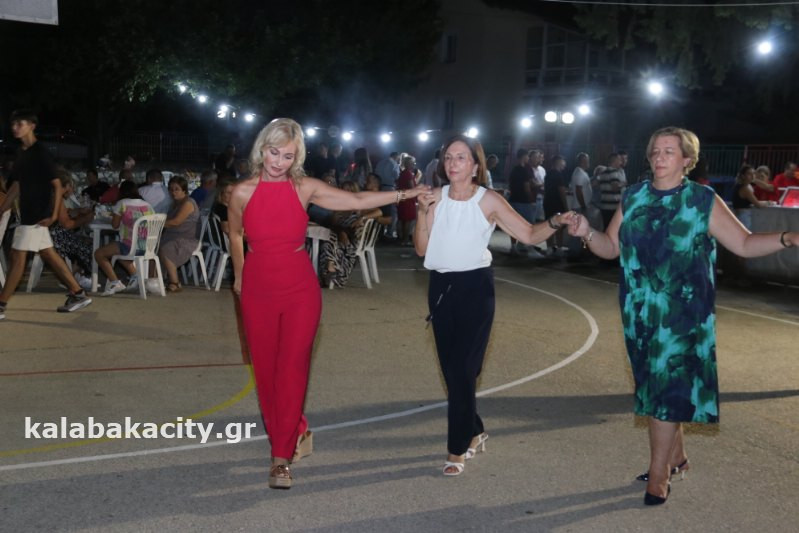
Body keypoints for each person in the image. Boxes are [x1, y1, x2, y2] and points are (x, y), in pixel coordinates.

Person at [567, 127, 798, 506]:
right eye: (655, 151)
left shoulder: (701, 200)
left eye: (669, 151)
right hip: (639, 311)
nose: (659, 157)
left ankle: (659, 475)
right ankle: (678, 458)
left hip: (682, 316)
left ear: (687, 160)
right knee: (656, 388)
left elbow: (743, 243)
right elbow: (610, 247)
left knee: (663, 391)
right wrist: (586, 232)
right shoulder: (633, 196)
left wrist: (788, 238)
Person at [227, 118, 427, 489]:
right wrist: (239, 276)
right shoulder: (241, 192)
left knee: (292, 369)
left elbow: (356, 201)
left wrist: (406, 194)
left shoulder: (304, 187)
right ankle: (297, 429)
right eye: (274, 152)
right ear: (261, 149)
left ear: (297, 157)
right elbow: (235, 234)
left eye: (288, 156)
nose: (279, 162)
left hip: (300, 290)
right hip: (257, 289)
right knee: (266, 373)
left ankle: (280, 457)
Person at [414, 134, 576, 477]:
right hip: (440, 288)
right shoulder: (434, 198)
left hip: (476, 289)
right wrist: (422, 212)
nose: (453, 163)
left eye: (461, 157)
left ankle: (457, 448)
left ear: (475, 165)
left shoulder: (488, 200)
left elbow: (528, 234)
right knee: (454, 372)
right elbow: (422, 249)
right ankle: (474, 430)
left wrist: (556, 222)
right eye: (448, 157)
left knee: (463, 370)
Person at [0, 109, 92, 320]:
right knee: (49, 254)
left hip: (38, 214)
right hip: (30, 213)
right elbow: (17, 185)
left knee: (17, 258)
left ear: (32, 126)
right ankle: (78, 293)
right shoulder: (22, 152)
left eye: (20, 123)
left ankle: (1, 304)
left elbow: (57, 185)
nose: (15, 128)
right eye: (13, 124)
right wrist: (3, 208)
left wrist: (53, 214)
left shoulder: (40, 153)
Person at [319, 180, 385, 288]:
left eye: (349, 190)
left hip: (351, 241)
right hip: (337, 238)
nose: (345, 193)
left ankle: (330, 271)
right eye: (343, 190)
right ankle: (330, 268)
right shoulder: (339, 208)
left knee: (329, 242)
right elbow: (333, 226)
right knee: (326, 240)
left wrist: (362, 218)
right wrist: (340, 230)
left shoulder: (359, 207)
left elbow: (379, 212)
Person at [94, 180, 155, 295]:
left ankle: (115, 282)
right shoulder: (147, 205)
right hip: (147, 246)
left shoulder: (122, 203)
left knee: (99, 253)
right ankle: (135, 276)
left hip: (130, 245)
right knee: (117, 251)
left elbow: (115, 225)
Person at [51, 168, 95, 290]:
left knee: (85, 241)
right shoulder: (57, 199)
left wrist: (78, 211)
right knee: (90, 246)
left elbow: (65, 213)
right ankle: (73, 277)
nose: (73, 189)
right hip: (57, 238)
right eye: (71, 185)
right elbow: (67, 224)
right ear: (65, 186)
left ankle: (75, 275)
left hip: (52, 235)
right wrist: (86, 218)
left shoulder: (52, 196)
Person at [159, 176, 200, 293]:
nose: (173, 192)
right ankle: (154, 279)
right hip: (173, 236)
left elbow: (176, 222)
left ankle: (175, 282)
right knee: (152, 246)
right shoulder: (174, 204)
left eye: (177, 189)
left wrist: (155, 224)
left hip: (187, 239)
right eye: (171, 189)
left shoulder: (188, 203)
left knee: (165, 248)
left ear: (184, 190)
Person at [543, 155, 570, 254]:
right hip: (557, 204)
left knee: (549, 225)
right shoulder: (558, 175)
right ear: (558, 162)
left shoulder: (548, 174)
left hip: (547, 203)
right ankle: (559, 248)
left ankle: (549, 248)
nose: (564, 164)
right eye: (563, 162)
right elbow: (561, 192)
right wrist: (566, 206)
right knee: (559, 226)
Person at [731, 164, 771, 229]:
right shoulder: (745, 188)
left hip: (739, 216)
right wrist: (768, 203)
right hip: (743, 217)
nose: (752, 176)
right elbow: (758, 204)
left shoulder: (739, 186)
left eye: (753, 174)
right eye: (749, 174)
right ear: (743, 176)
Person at [396, 155, 419, 246]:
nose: (414, 165)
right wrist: (417, 192)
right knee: (407, 220)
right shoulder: (408, 173)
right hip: (408, 198)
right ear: (408, 164)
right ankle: (405, 240)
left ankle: (401, 238)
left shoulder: (402, 173)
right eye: (413, 163)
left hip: (402, 197)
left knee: (402, 219)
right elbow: (411, 186)